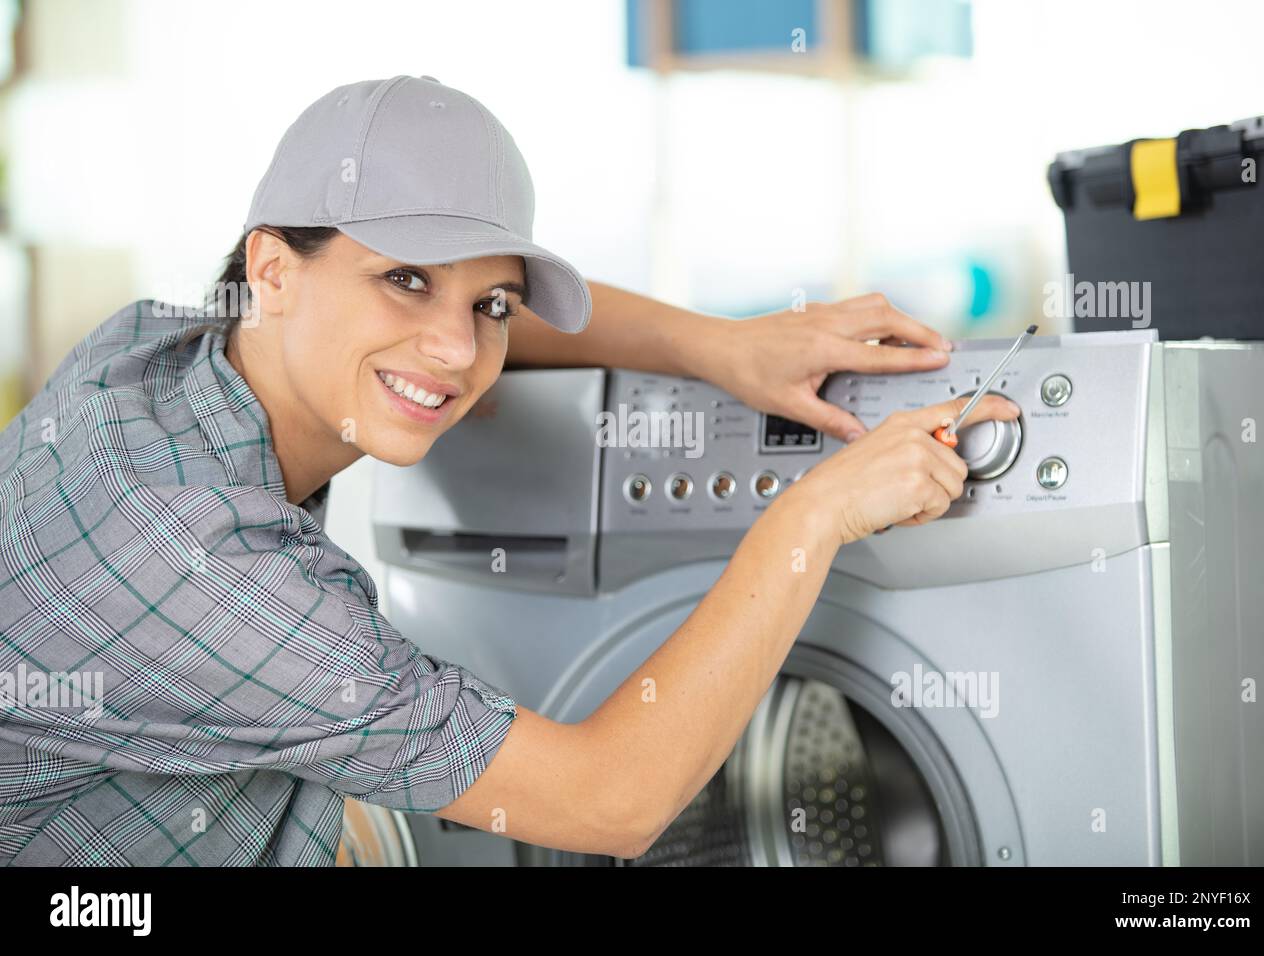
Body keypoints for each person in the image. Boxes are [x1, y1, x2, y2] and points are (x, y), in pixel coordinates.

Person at [0, 75, 1019, 865]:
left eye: (487, 302)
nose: (456, 350)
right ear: (273, 269)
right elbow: (612, 805)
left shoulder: (147, 354)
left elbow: (452, 323)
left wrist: (719, 345)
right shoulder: (208, 560)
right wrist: (811, 516)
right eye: (403, 278)